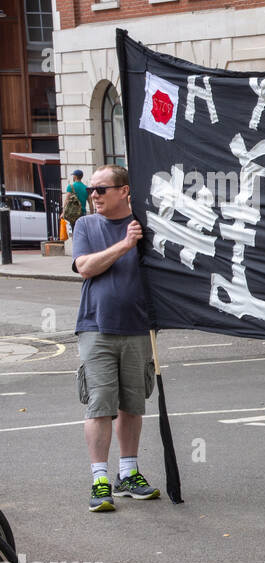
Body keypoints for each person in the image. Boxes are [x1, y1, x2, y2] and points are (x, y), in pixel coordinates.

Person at [70, 164, 160, 512]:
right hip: (96, 326)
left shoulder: (146, 225)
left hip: (138, 327)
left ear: (124, 191)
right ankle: (99, 479)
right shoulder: (86, 225)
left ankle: (128, 473)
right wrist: (125, 245)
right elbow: (85, 267)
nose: (94, 195)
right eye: (92, 190)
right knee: (100, 404)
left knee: (133, 404)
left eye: (101, 189)